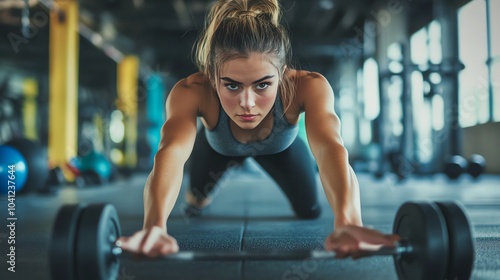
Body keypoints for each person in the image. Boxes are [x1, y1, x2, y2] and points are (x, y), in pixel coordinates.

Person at [118, 0, 399, 259]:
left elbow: (329, 147)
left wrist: (348, 222)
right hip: (217, 150)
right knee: (195, 206)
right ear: (213, 77)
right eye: (232, 85)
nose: (247, 104)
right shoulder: (192, 91)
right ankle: (201, 196)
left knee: (309, 211)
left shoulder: (308, 86)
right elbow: (171, 152)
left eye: (263, 84)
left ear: (282, 74)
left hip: (280, 150)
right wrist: (154, 225)